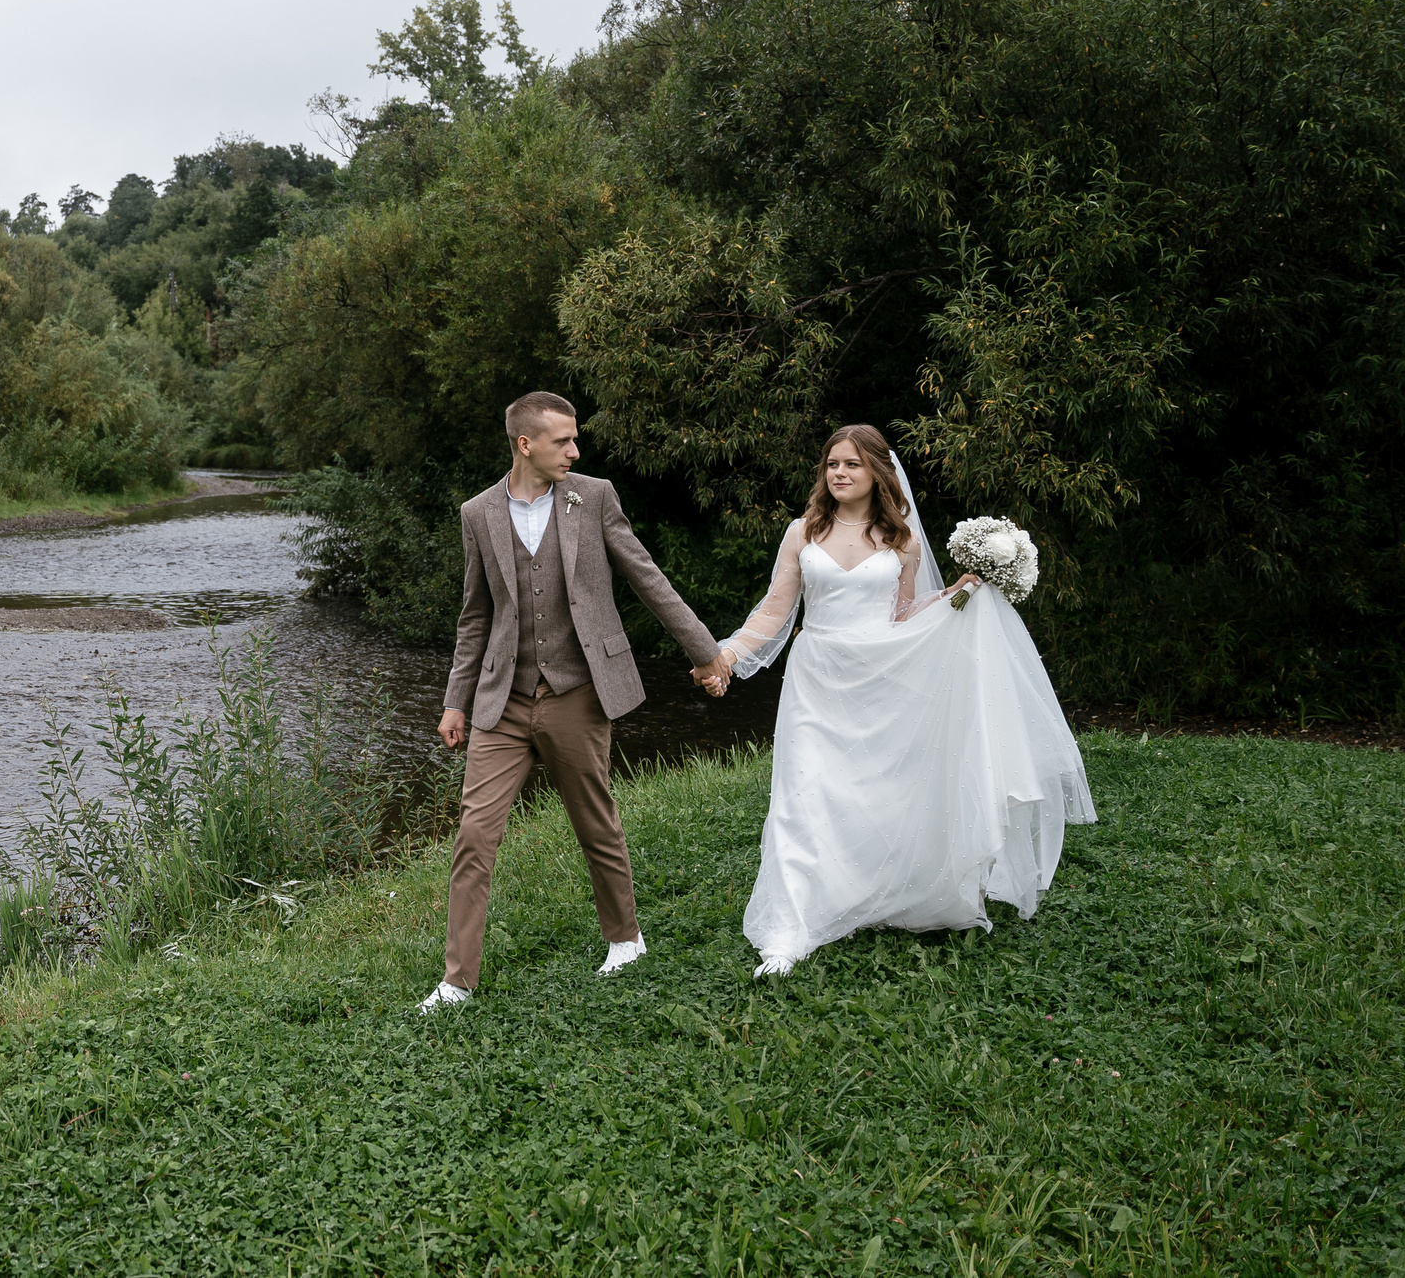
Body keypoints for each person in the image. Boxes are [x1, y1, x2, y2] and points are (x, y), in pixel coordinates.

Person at [701, 424, 1095, 977]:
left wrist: (956, 596)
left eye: (852, 465)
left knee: (875, 794)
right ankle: (789, 930)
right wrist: (727, 655)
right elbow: (774, 609)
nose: (839, 472)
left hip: (880, 679)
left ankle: (875, 892)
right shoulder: (802, 531)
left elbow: (902, 614)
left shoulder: (902, 539)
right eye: (832, 464)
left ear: (877, 474)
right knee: (802, 795)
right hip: (816, 677)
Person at [417, 392, 725, 1011]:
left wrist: (704, 651)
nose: (575, 451)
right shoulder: (478, 513)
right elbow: (475, 616)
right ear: (525, 444)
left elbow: (647, 577)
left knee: (594, 820)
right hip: (501, 700)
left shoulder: (595, 497)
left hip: (577, 692)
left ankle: (625, 939)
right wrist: (456, 701)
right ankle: (456, 982)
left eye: (575, 440)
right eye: (563, 441)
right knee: (474, 835)